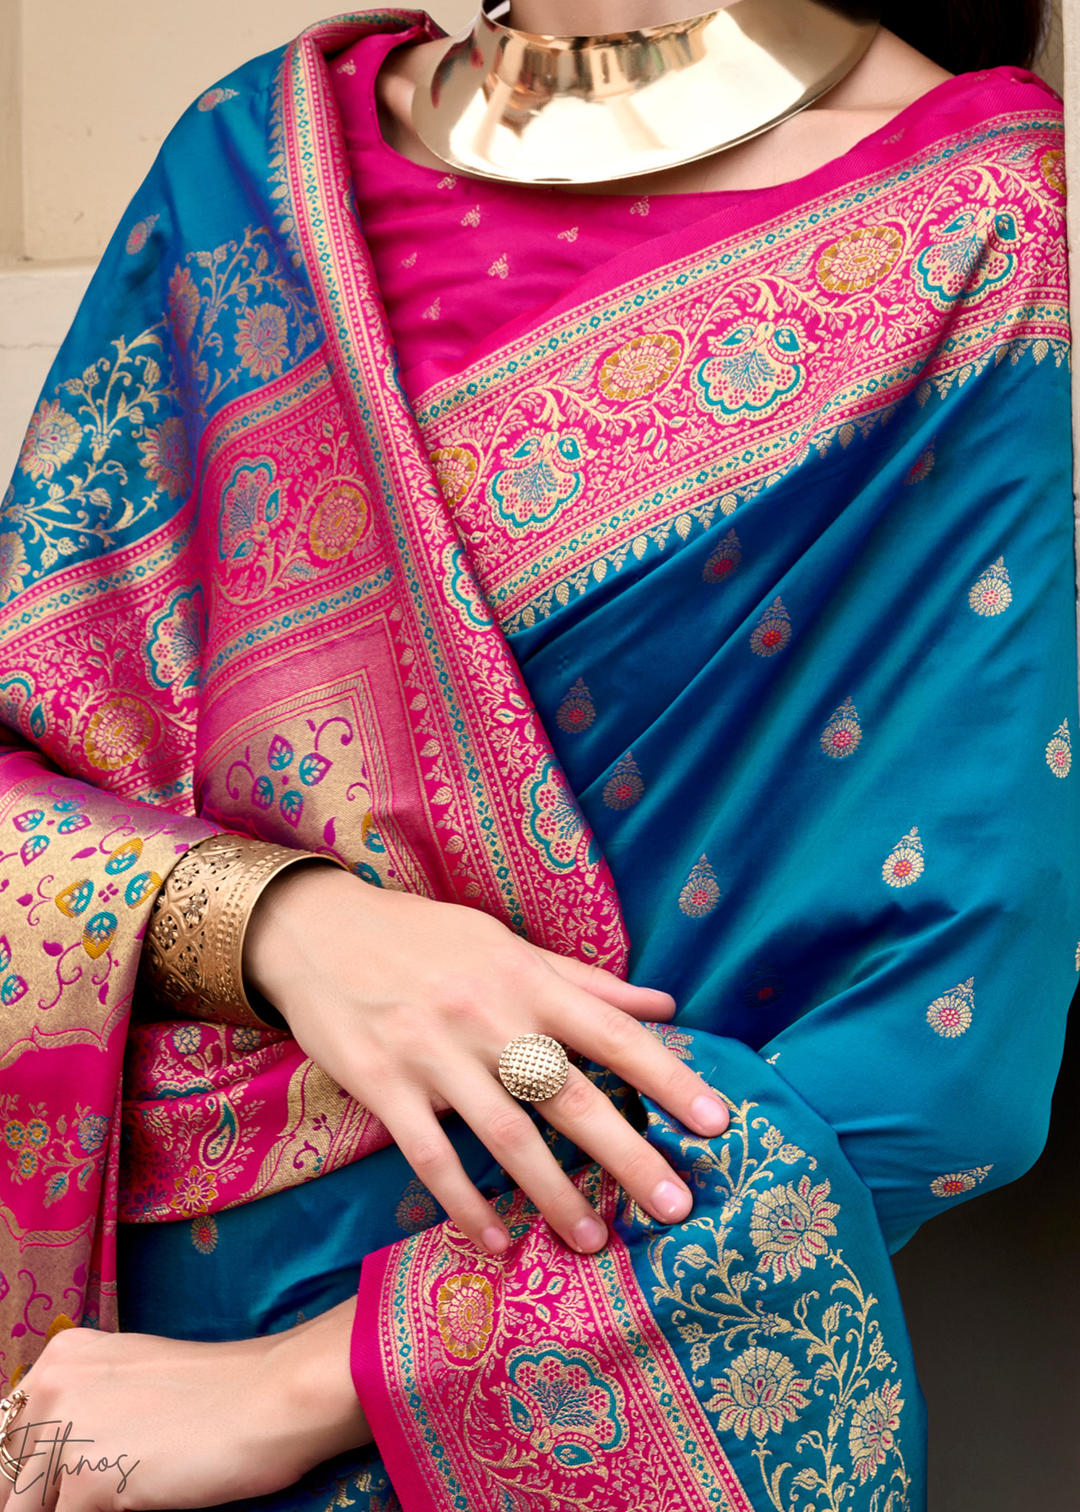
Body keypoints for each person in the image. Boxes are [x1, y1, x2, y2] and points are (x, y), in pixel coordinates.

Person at [0, 0, 1073, 1507]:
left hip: (517, 1394)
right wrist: (293, 928)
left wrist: (307, 1384)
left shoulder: (967, 227)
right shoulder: (246, 167)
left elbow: (939, 1061)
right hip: (93, 1370)